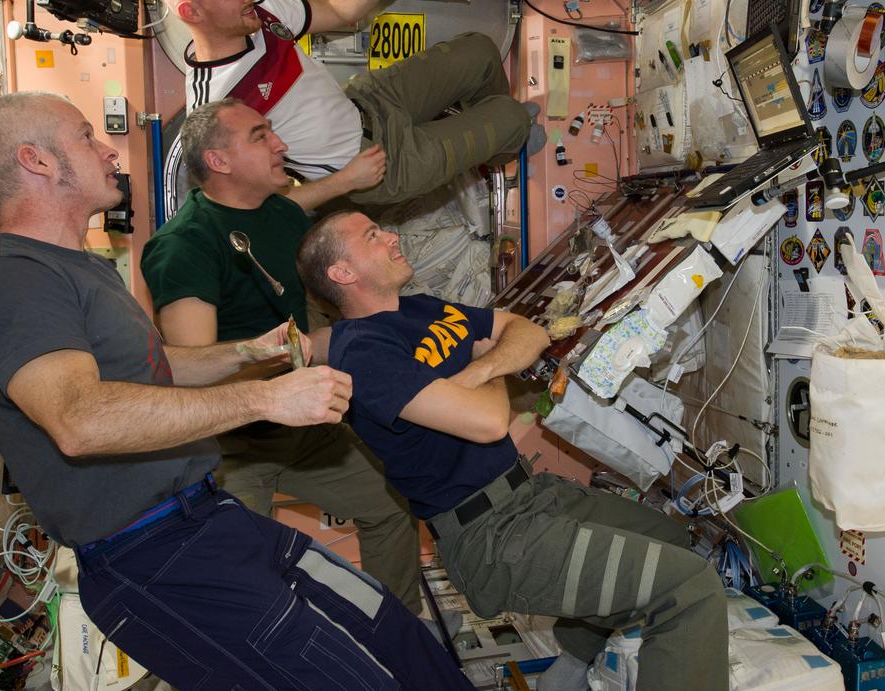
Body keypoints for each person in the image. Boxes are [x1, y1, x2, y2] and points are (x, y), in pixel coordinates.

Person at [0, 92, 472, 691]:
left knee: (390, 628)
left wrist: (248, 354)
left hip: (208, 518)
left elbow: (152, 367)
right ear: (36, 161)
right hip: (154, 557)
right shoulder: (10, 280)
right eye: (87, 136)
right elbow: (80, 418)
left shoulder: (81, 268)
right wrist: (264, 399)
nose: (108, 150)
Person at [296, 211, 730, 691]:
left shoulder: (418, 308)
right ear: (343, 273)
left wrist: (479, 371)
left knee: (670, 537)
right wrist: (488, 360)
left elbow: (527, 330)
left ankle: (569, 669)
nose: (393, 237)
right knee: (689, 588)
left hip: (530, 494)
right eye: (373, 236)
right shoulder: (364, 352)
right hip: (489, 536)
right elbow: (486, 422)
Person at [140, 97, 423, 616]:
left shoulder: (275, 211)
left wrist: (349, 179)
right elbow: (190, 367)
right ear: (220, 163)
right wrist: (292, 353)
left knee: (389, 504)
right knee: (242, 578)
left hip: (301, 431)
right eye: (260, 135)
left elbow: (298, 203)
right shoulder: (186, 245)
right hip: (232, 446)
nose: (281, 144)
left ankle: (399, 635)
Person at [161, 0, 533, 204]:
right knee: (512, 116)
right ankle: (507, 142)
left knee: (481, 51)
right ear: (191, 12)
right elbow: (255, 203)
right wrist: (345, 182)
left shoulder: (261, 14)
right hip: (373, 163)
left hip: (368, 102)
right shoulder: (216, 106)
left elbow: (334, 12)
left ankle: (497, 148)